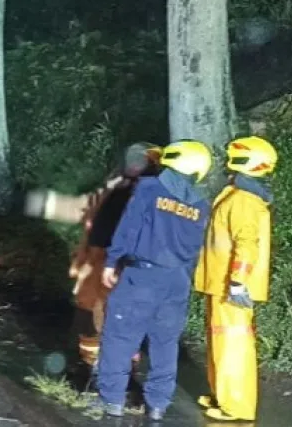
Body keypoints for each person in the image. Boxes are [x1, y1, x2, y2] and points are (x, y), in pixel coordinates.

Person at [95, 140, 213, 421]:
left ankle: (112, 402)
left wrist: (112, 262)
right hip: (177, 281)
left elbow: (129, 227)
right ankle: (157, 405)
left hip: (143, 275)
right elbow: (196, 246)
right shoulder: (201, 203)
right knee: (165, 343)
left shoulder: (149, 189)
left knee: (120, 336)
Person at [23, 144, 162, 367]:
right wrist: (38, 203)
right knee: (89, 309)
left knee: (114, 311)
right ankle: (92, 363)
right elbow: (85, 208)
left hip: (121, 262)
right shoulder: (116, 187)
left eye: (141, 161)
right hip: (97, 259)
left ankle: (116, 365)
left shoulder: (153, 195)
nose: (135, 164)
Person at [194, 136, 278, 422]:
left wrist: (238, 281)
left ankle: (236, 406)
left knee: (232, 347)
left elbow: (247, 244)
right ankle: (223, 394)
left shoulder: (244, 201)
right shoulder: (239, 194)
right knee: (220, 343)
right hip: (221, 283)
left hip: (230, 286)